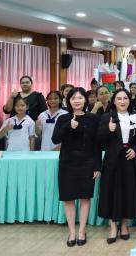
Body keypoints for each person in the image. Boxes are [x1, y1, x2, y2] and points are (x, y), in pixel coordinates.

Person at [52, 88, 102, 247]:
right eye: (73, 98)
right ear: (69, 101)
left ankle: (82, 231)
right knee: (68, 199)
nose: (77, 100)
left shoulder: (93, 118)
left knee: (85, 198)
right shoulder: (63, 118)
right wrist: (68, 126)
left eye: (80, 97)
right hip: (67, 163)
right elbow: (55, 139)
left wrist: (97, 165)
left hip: (87, 163)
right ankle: (72, 232)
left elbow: (97, 144)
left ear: (85, 100)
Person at [97, 88, 136, 244]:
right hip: (112, 159)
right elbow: (99, 139)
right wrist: (107, 129)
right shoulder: (107, 117)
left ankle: (124, 225)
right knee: (112, 191)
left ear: (129, 100)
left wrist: (135, 149)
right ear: (114, 101)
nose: (122, 101)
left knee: (128, 191)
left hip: (130, 158)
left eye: (125, 98)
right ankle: (113, 226)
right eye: (119, 98)